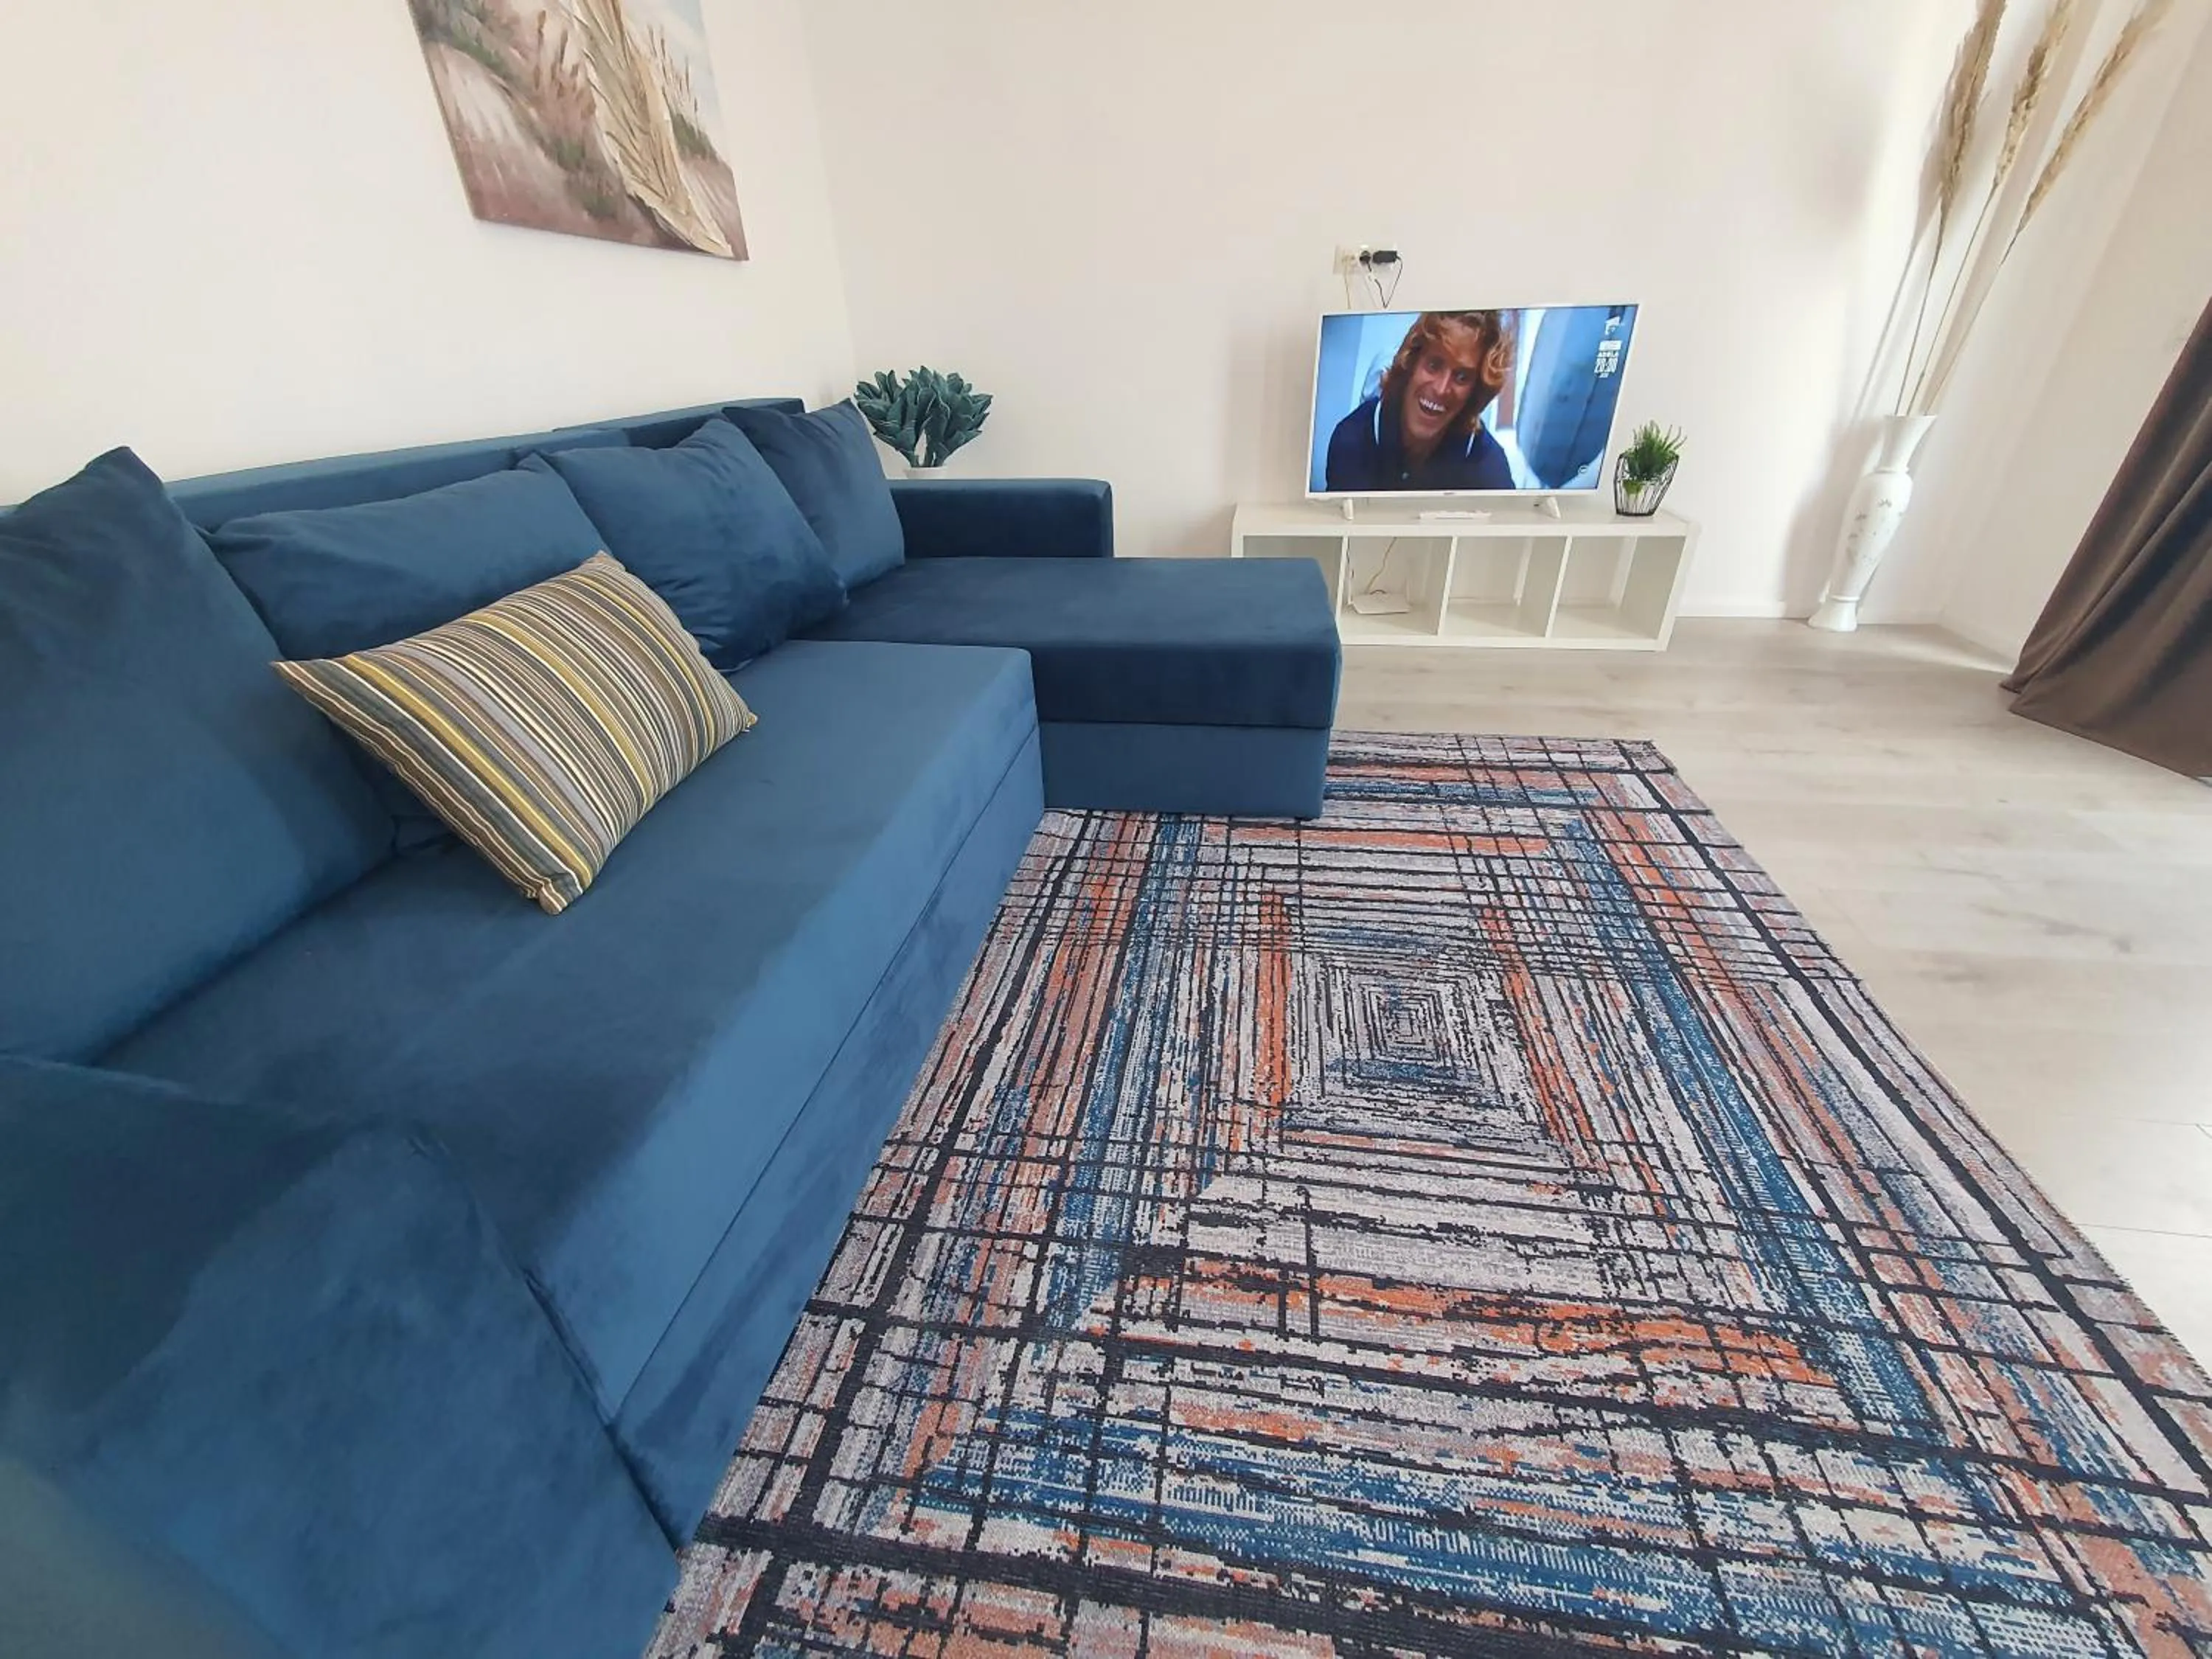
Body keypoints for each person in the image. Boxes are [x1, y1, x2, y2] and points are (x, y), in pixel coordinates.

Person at [1324, 311, 1516, 493]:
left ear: (1475, 392)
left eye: (1462, 377)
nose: (1441, 389)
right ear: (1411, 363)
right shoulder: (1352, 440)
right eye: (1433, 365)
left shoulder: (1489, 469)